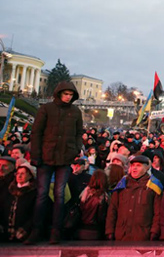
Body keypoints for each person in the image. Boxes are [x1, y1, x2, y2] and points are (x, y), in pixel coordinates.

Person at [26, 81, 84, 245]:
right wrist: (36, 155)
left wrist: (76, 149)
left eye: (71, 95)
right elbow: (36, 132)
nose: (68, 97)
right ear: (59, 94)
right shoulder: (46, 109)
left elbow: (79, 132)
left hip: (65, 158)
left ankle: (56, 230)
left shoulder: (75, 111)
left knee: (60, 195)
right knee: (42, 194)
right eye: (66, 94)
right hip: (46, 156)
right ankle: (36, 230)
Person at [105, 155, 162, 241]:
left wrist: (154, 231)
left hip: (143, 236)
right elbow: (112, 210)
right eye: (133, 165)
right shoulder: (122, 184)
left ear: (146, 168)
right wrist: (109, 231)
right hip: (121, 235)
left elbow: (158, 213)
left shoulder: (153, 185)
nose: (134, 168)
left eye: (138, 166)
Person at [0, 162, 37, 242]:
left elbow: (35, 215)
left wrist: (25, 228)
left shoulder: (34, 193)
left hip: (23, 231)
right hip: (5, 232)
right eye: (18, 173)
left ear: (30, 176)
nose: (19, 176)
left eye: (22, 174)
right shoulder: (8, 190)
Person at [77, 170, 109, 240]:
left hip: (81, 228)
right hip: (95, 230)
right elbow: (101, 217)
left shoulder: (84, 192)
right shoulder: (103, 196)